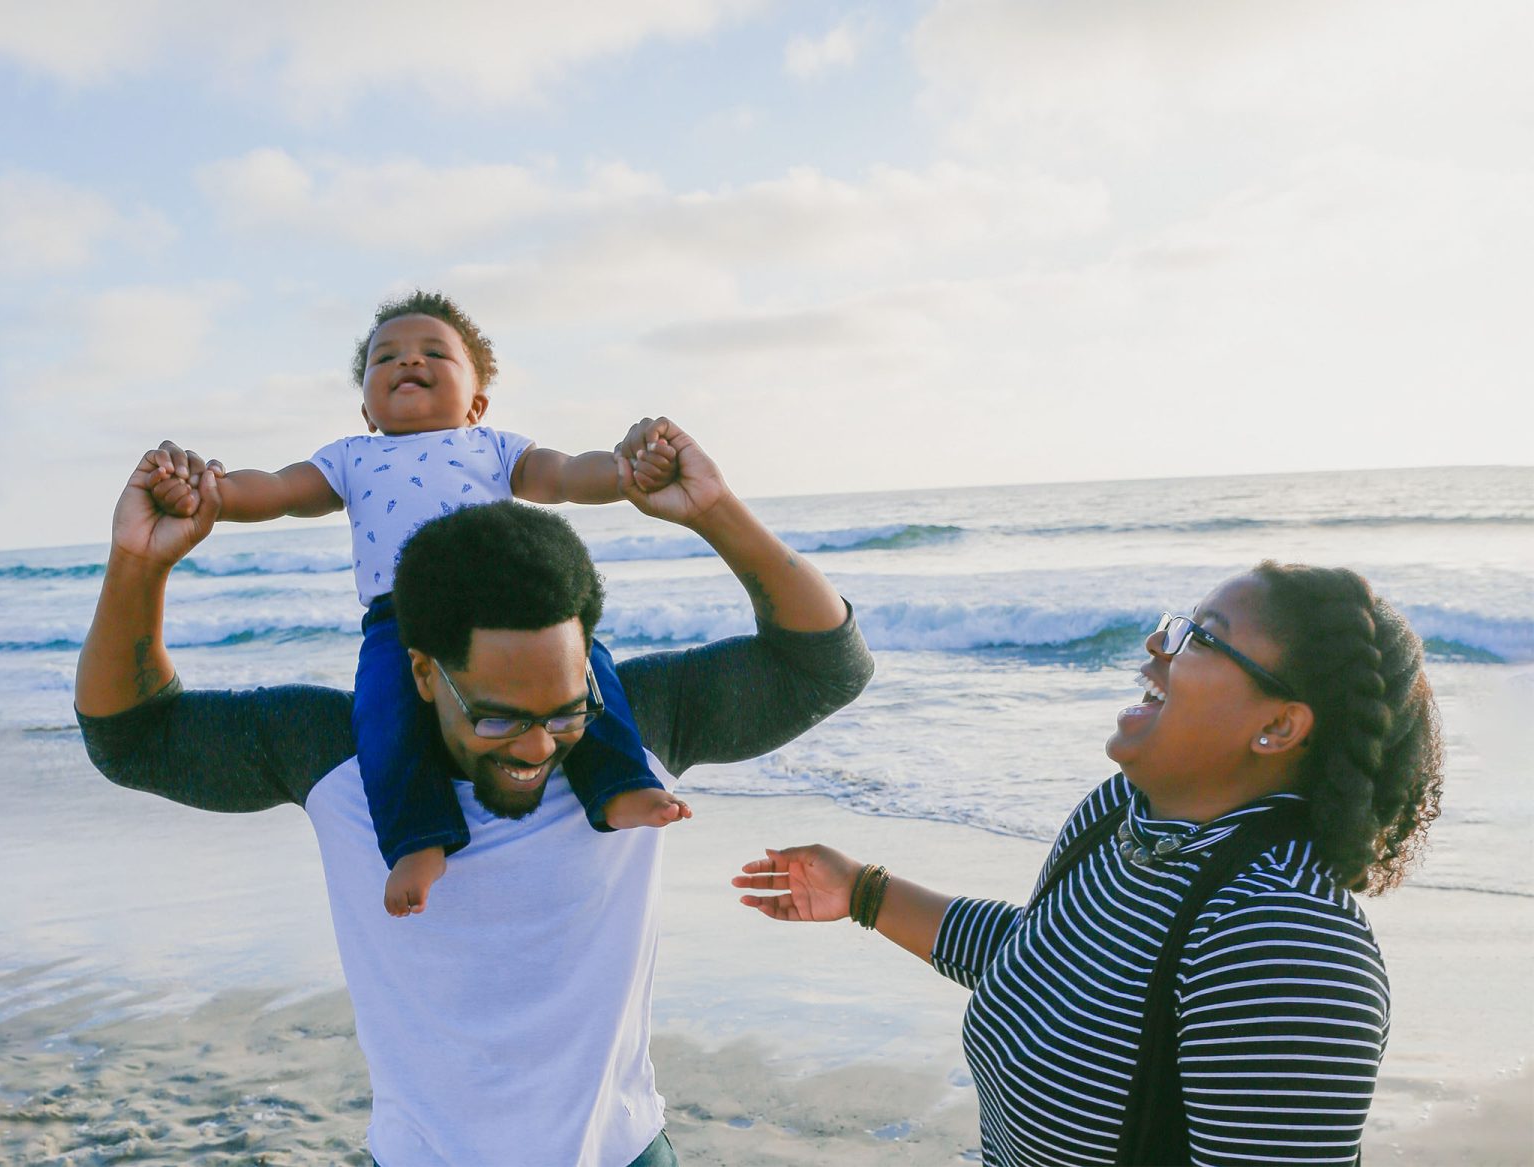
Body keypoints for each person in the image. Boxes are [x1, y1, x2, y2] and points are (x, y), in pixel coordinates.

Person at [76, 418, 874, 1167]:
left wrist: (715, 511)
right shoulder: (335, 752)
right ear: (422, 671)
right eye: (497, 718)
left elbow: (829, 664)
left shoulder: (635, 729)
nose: (536, 745)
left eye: (564, 710)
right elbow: (133, 737)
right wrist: (140, 566)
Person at [735, 565, 1443, 1166]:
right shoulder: (1121, 814)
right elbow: (1047, 962)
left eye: (1202, 637)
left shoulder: (1285, 942)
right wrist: (862, 891)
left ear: (1279, 726)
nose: (1158, 643)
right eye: (1180, 622)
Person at [146, 290, 686, 917]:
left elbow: (565, 475)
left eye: (434, 352)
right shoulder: (351, 457)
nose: (408, 362)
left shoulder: (495, 447)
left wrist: (625, 472)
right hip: (397, 619)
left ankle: (620, 785)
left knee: (589, 669)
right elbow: (277, 490)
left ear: (477, 403)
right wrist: (208, 490)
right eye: (386, 358)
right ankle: (417, 839)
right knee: (382, 716)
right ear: (367, 409)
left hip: (503, 606)